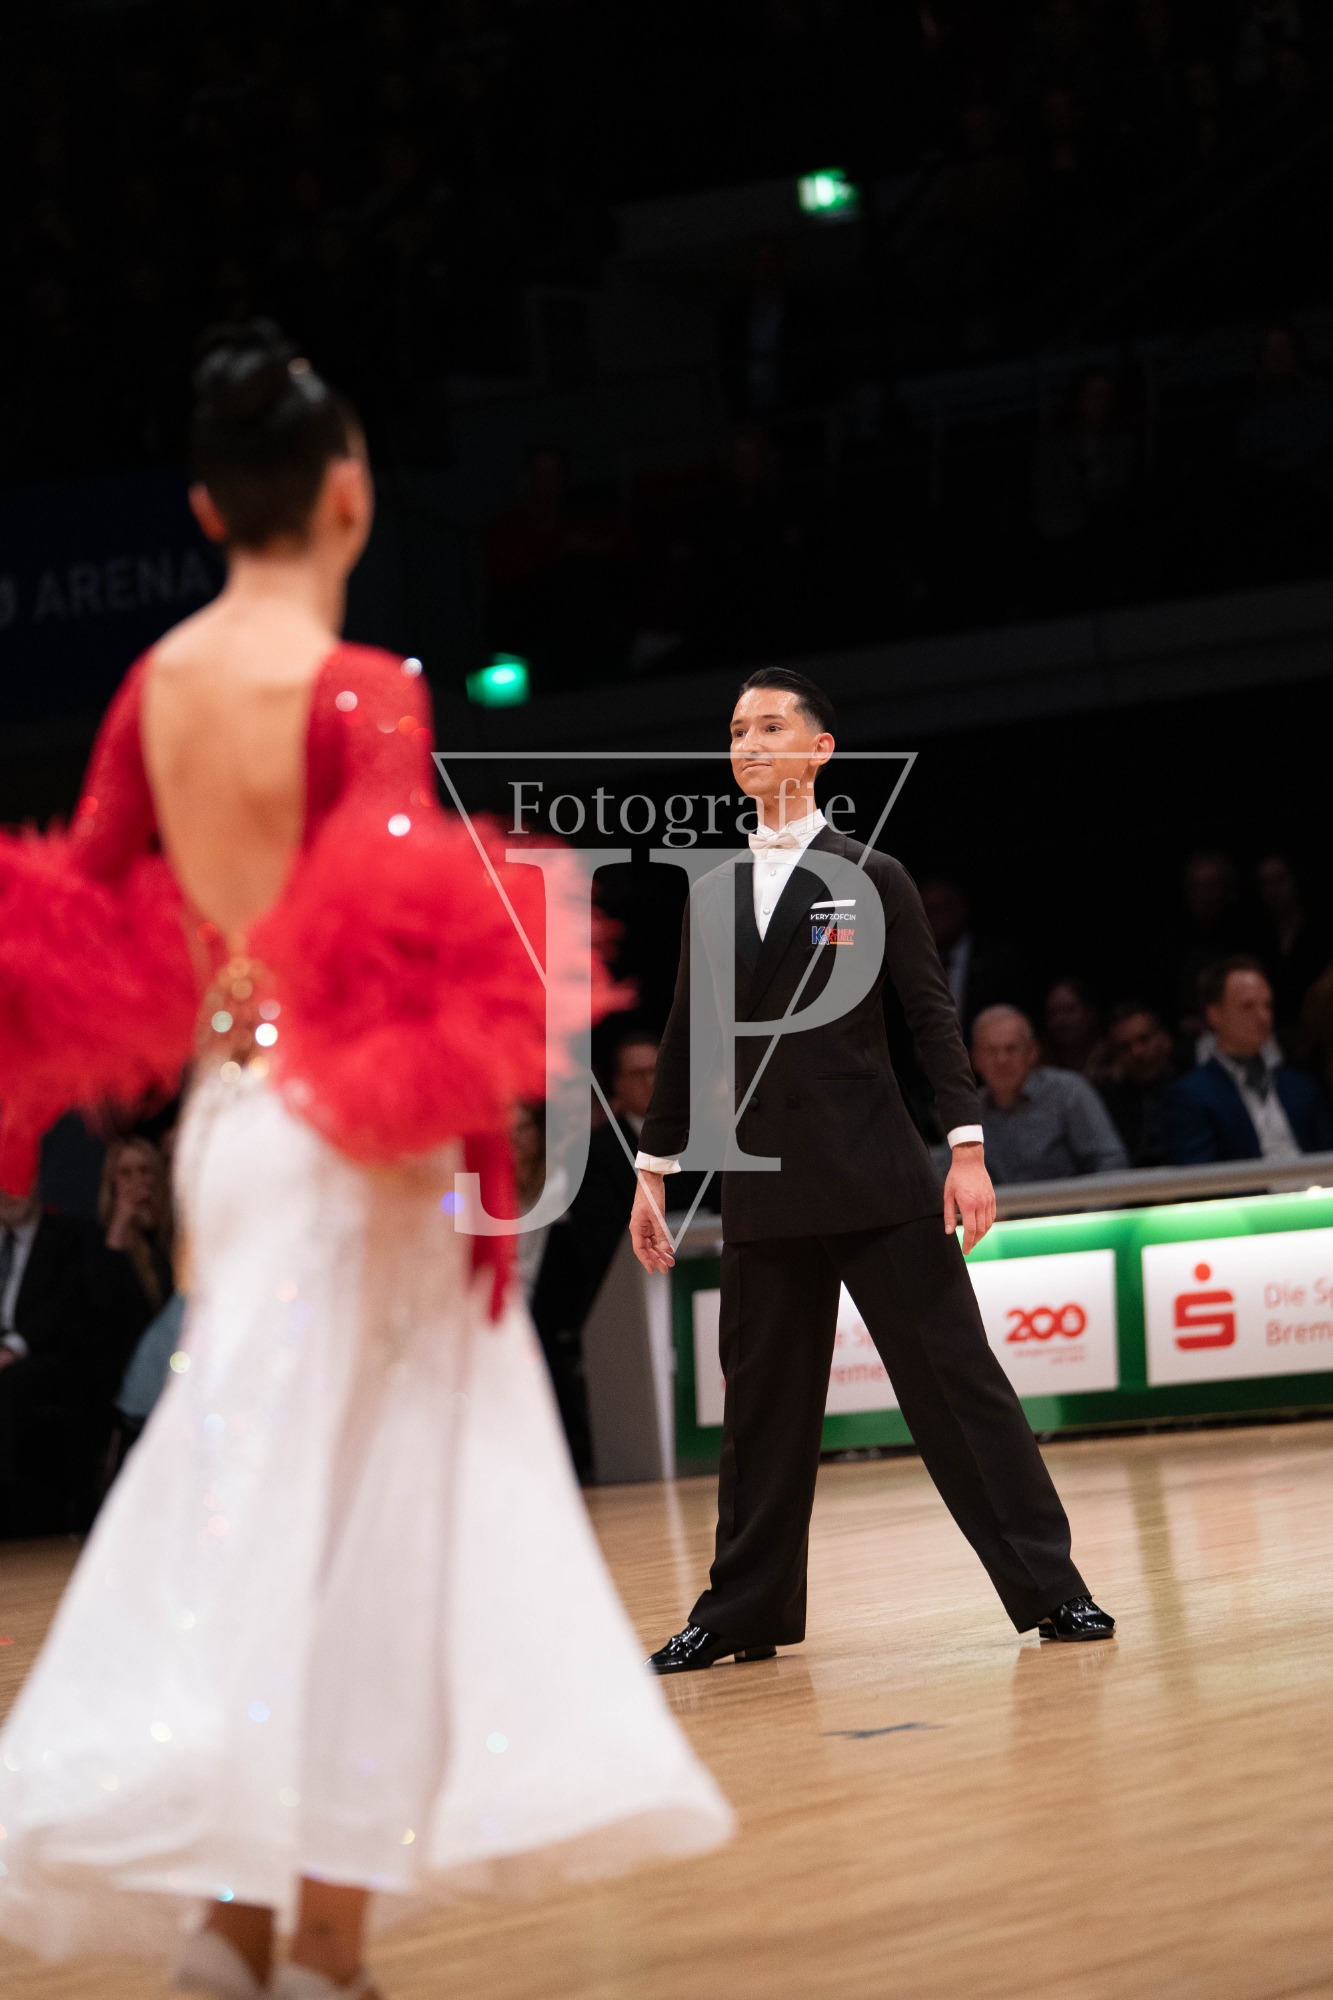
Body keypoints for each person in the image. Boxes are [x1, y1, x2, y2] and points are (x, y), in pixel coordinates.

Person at [0, 322, 730, 2000]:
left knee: (260, 1498)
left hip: (229, 1126)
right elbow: (403, 933)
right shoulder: (357, 686)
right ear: (351, 493)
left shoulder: (156, 683)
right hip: (352, 1135)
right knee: (368, 1529)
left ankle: (246, 1928)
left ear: (205, 507)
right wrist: (468, 1140)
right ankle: (310, 1941)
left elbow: (80, 905)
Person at [628, 667, 1114, 1674]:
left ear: (819, 750)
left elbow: (930, 1018)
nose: (749, 743)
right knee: (759, 1414)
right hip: (761, 1179)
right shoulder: (710, 894)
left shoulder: (872, 874)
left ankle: (1053, 1589)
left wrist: (967, 1148)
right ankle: (741, 1610)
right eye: (737, 729)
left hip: (876, 1174)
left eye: (771, 726)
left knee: (958, 1389)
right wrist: (653, 1168)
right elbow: (684, 1038)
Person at [1162, 956, 1333, 1164]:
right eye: (1248, 1006)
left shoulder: (1300, 1086)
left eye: (1267, 1005)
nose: (1263, 1017)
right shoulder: (1190, 1095)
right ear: (1215, 1015)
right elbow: (1200, 1175)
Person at [970, 1005, 1129, 1185]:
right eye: (991, 1051)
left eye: (1011, 1049)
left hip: (1071, 1202)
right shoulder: (969, 1110)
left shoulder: (1068, 1092)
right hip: (998, 1204)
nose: (1002, 1060)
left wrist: (1086, 1204)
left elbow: (1111, 1162)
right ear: (975, 1059)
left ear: (1032, 1051)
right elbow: (949, 1172)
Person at [1096, 1002, 1183, 1168]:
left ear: (1164, 1038)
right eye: (1125, 1047)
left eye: (1144, 1039)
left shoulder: (1195, 1088)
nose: (1137, 1052)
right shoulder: (1106, 1105)